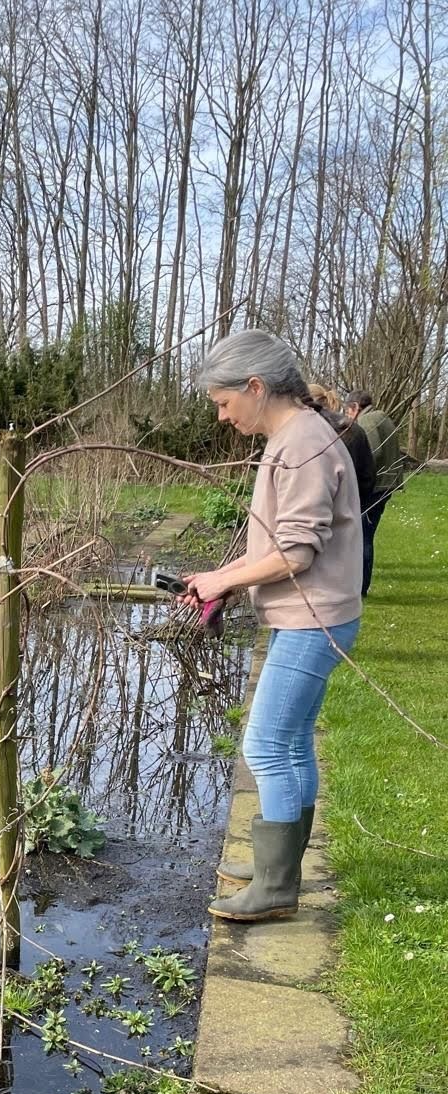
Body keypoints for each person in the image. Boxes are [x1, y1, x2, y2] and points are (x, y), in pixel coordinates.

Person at [185, 329, 361, 923]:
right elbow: (272, 544)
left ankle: (276, 886)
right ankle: (277, 866)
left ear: (256, 387)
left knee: (266, 744)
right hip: (311, 615)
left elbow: (296, 553)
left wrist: (226, 583)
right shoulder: (294, 438)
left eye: (223, 401)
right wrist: (218, 574)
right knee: (292, 741)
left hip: (315, 619)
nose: (221, 414)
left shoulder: (303, 446)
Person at [344, 389, 401, 595]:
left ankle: (360, 588)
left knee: (363, 537)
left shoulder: (367, 421)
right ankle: (360, 586)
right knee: (365, 535)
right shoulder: (381, 416)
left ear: (355, 407)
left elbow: (372, 453)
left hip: (375, 487)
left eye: (347, 411)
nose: (347, 416)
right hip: (386, 484)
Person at [307, 383, 375, 542]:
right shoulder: (354, 429)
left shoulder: (314, 432)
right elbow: (368, 477)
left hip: (321, 515)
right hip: (350, 511)